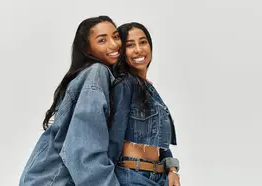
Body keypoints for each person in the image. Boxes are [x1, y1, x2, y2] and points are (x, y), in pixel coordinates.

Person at [19, 15, 122, 186]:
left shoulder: (95, 76)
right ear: (88, 49)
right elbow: (84, 150)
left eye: (116, 37)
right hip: (54, 180)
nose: (114, 44)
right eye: (102, 40)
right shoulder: (97, 72)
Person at [111, 22, 181, 186]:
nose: (138, 49)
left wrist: (172, 170)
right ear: (121, 52)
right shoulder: (124, 84)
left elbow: (158, 141)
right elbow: (113, 138)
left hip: (159, 177)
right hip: (132, 176)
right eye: (130, 45)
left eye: (143, 42)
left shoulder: (148, 88)